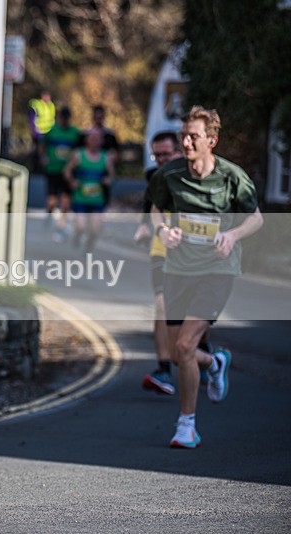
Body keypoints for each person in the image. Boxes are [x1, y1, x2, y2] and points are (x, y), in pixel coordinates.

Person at [148, 106, 263, 449]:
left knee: (184, 345)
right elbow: (155, 211)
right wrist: (164, 231)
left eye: (193, 136)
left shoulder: (231, 177)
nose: (185, 141)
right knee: (175, 351)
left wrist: (232, 236)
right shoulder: (169, 174)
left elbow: (256, 218)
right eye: (183, 135)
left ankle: (186, 425)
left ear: (212, 140)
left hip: (216, 271)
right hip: (177, 270)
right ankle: (215, 362)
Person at [134, 132, 213, 395]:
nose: (160, 160)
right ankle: (164, 370)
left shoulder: (198, 176)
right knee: (162, 304)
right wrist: (144, 227)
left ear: (180, 152)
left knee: (192, 313)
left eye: (166, 154)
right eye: (156, 155)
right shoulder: (155, 177)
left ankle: (204, 354)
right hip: (162, 249)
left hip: (193, 253)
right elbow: (150, 205)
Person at [63, 127, 115, 253]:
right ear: (87, 140)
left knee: (95, 229)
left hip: (97, 198)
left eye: (97, 138)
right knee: (81, 226)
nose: (94, 141)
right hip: (81, 196)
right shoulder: (78, 154)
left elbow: (112, 175)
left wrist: (108, 180)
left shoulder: (105, 157)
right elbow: (67, 171)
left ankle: (89, 246)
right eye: (92, 138)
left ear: (101, 141)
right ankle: (77, 235)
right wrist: (72, 181)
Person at [40, 106, 82, 241]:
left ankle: (61, 227)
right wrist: (44, 157)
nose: (64, 120)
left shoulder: (75, 133)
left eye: (67, 118)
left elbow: (80, 149)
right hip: (53, 170)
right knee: (52, 200)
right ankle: (50, 211)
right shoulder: (52, 132)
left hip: (68, 173)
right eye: (62, 118)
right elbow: (42, 146)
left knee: (65, 201)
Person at [28, 90, 56, 170]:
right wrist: (34, 131)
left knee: (47, 150)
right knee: (39, 150)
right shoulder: (37, 105)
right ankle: (37, 167)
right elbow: (32, 119)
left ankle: (45, 166)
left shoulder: (51, 105)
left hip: (49, 132)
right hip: (39, 132)